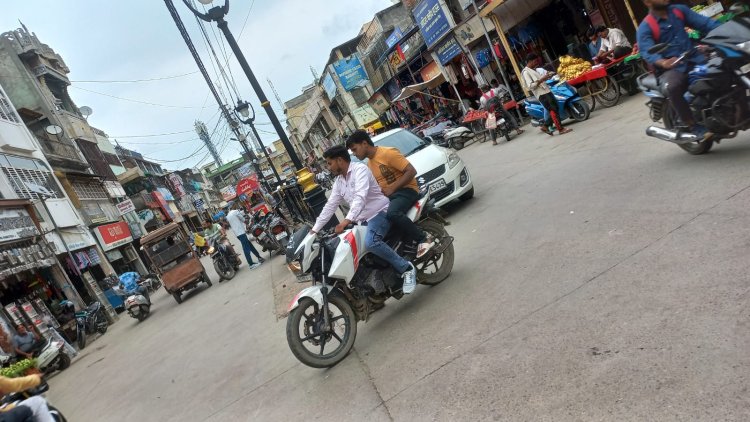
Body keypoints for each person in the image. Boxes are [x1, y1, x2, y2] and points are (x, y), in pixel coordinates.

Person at [310, 146, 418, 294]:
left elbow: (360, 197)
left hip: (379, 212)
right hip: (362, 219)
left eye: (329, 163)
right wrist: (313, 230)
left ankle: (406, 268)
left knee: (371, 242)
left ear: (340, 160)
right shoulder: (339, 182)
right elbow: (330, 206)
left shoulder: (359, 170)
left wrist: (346, 220)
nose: (328, 167)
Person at [637, 0, 720, 140]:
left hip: (694, 57)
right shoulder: (646, 26)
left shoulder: (679, 11)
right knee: (673, 86)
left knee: (722, 67)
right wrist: (663, 62)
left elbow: (705, 24)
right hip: (673, 67)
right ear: (647, 2)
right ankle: (692, 125)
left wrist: (727, 31)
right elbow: (647, 51)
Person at [346, 131, 435, 259]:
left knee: (392, 213)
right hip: (392, 196)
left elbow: (411, 171)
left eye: (355, 149)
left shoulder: (387, 153)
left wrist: (392, 188)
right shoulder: (369, 164)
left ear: (364, 143)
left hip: (407, 190)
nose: (354, 153)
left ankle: (424, 239)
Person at [521, 53, 572, 136]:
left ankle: (546, 126)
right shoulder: (526, 72)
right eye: (535, 61)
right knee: (553, 109)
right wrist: (542, 79)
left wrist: (547, 76)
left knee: (555, 109)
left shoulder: (534, 69)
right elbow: (531, 86)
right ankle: (560, 129)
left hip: (546, 91)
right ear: (530, 61)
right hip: (541, 94)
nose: (536, 63)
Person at [226, 205, 264, 269]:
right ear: (233, 207)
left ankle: (259, 257)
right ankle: (251, 264)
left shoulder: (228, 215)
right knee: (246, 248)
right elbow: (244, 220)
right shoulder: (235, 211)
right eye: (235, 206)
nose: (236, 207)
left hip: (237, 234)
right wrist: (247, 221)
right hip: (241, 232)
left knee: (249, 245)